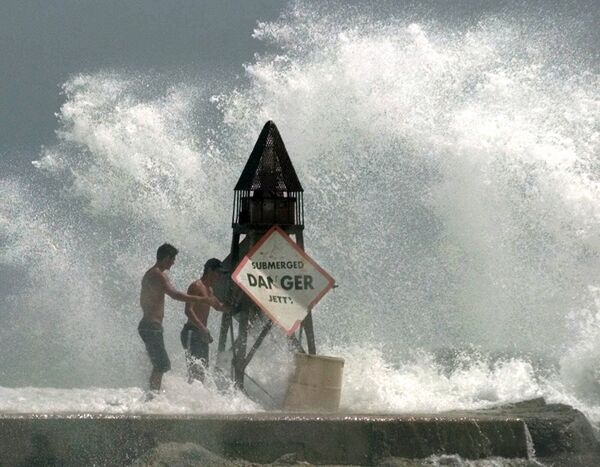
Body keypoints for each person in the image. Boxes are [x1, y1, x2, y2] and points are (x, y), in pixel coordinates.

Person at [139, 243, 220, 394]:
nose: (173, 262)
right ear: (166, 258)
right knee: (162, 364)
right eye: (172, 259)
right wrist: (202, 300)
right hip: (150, 325)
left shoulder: (154, 274)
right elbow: (175, 294)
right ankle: (152, 398)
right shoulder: (157, 274)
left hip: (151, 326)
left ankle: (153, 396)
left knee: (161, 364)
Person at [181, 258, 228, 383]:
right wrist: (202, 328)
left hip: (202, 335)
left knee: (202, 373)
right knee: (194, 372)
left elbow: (218, 306)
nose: (219, 276)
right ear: (210, 270)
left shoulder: (210, 289)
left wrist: (236, 306)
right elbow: (188, 310)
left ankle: (195, 400)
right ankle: (186, 399)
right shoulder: (196, 286)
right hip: (192, 332)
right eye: (218, 272)